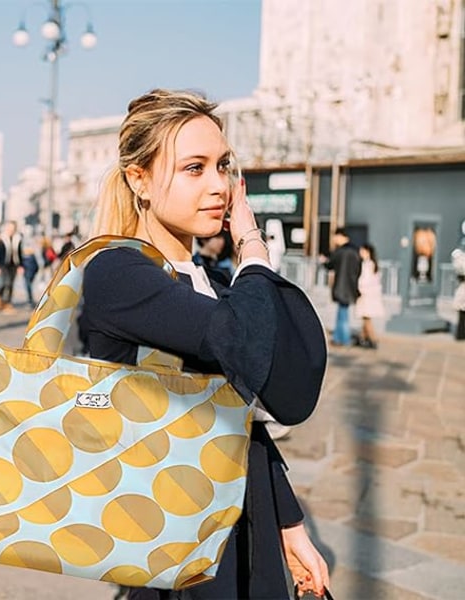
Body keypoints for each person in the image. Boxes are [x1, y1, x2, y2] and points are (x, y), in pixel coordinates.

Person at [81, 89, 329, 599]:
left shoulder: (212, 283)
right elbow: (243, 342)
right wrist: (252, 244)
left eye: (223, 166)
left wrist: (289, 524)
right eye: (194, 168)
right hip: (173, 536)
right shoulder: (119, 273)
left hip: (239, 520)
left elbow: (260, 405)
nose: (219, 186)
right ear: (139, 180)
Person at [322, 228, 362, 347]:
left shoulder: (340, 252)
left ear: (341, 236)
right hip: (351, 285)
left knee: (343, 314)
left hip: (341, 285)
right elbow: (359, 270)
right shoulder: (355, 251)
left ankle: (344, 339)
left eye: (335, 237)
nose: (334, 239)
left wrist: (324, 261)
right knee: (342, 311)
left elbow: (330, 265)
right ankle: (338, 337)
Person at [354, 243, 384, 349]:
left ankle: (373, 339)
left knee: (366, 318)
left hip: (365, 294)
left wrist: (359, 289)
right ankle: (363, 337)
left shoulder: (366, 265)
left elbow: (364, 280)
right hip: (372, 295)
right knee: (366, 317)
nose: (360, 253)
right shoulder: (374, 264)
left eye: (362, 251)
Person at [0, 220, 23, 315]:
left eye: (13, 228)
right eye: (9, 228)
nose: (11, 230)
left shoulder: (18, 239)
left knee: (10, 284)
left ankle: (7, 302)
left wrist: (20, 266)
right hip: (2, 265)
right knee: (3, 283)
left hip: (13, 265)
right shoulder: (1, 239)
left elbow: (19, 253)